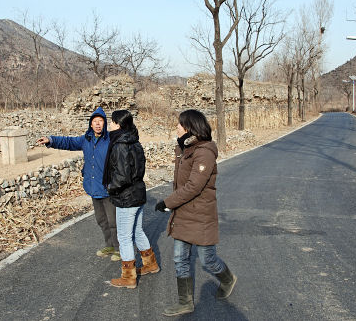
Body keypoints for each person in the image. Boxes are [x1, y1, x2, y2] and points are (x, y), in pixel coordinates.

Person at [155, 109, 237, 317]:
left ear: (190, 127)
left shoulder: (204, 152)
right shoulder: (185, 148)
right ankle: (185, 302)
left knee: (207, 259)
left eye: (180, 124)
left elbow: (194, 186)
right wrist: (173, 204)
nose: (177, 127)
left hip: (200, 214)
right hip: (183, 212)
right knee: (180, 258)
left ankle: (228, 278)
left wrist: (168, 202)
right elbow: (181, 184)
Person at [36, 107, 120, 261]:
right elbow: (68, 142)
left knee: (113, 221)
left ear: (105, 123)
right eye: (95, 122)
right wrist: (51, 140)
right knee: (101, 220)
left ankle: (119, 248)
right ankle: (109, 244)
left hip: (108, 188)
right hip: (93, 187)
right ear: (90, 124)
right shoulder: (86, 139)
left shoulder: (110, 140)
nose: (97, 124)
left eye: (100, 121)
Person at [103, 110, 159, 289]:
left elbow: (121, 176)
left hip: (126, 196)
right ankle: (150, 264)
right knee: (138, 231)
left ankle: (128, 277)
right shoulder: (135, 142)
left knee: (124, 237)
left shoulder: (120, 144)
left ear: (118, 125)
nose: (109, 125)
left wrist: (110, 187)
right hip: (138, 192)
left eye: (112, 122)